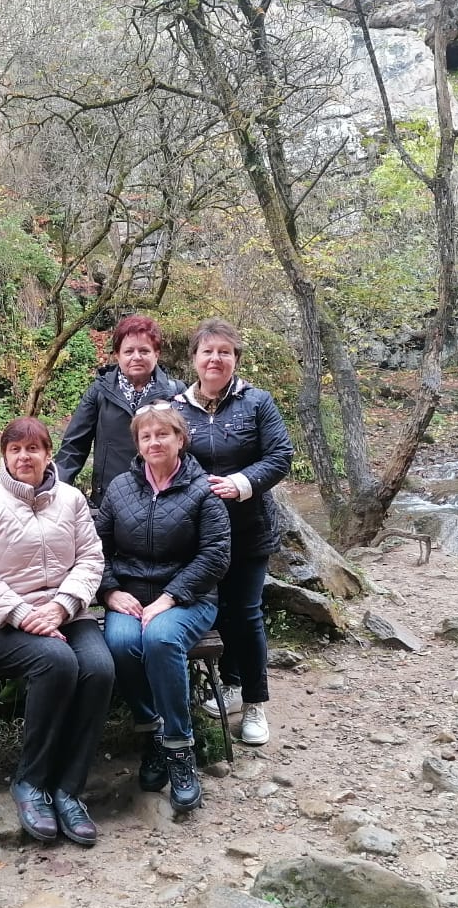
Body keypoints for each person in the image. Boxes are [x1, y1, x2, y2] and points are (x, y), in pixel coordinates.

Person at [0, 417, 113, 846]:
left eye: (33, 449)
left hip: (66, 611)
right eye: (15, 449)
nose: (25, 457)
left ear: (48, 454)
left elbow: (90, 559)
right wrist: (23, 614)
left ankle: (68, 790)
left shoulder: (71, 499)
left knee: (99, 668)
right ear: (5, 456)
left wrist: (61, 607)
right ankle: (31, 782)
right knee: (56, 662)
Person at [97, 401, 230, 812]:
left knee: (159, 639)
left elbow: (216, 556)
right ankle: (152, 730)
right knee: (121, 642)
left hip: (190, 597)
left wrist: (170, 597)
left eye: (163, 434)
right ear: (137, 444)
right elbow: (95, 547)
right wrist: (109, 592)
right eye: (146, 436)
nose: (154, 442)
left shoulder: (203, 490)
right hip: (130, 595)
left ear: (180, 439)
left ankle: (179, 747)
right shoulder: (121, 487)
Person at [171, 319, 293, 747]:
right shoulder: (177, 407)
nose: (215, 359)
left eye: (224, 351)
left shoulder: (257, 402)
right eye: (207, 351)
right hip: (199, 534)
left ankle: (256, 702)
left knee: (246, 612)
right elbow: (165, 456)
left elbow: (280, 455)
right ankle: (232, 683)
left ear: (235, 359)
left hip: (248, 528)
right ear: (194, 359)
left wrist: (240, 483)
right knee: (218, 611)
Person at [54, 315, 186, 507]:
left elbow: (188, 447)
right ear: (117, 355)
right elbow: (74, 447)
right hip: (110, 500)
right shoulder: (100, 392)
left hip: (164, 501)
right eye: (129, 351)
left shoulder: (175, 393)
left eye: (144, 351)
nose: (136, 357)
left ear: (156, 354)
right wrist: (55, 491)